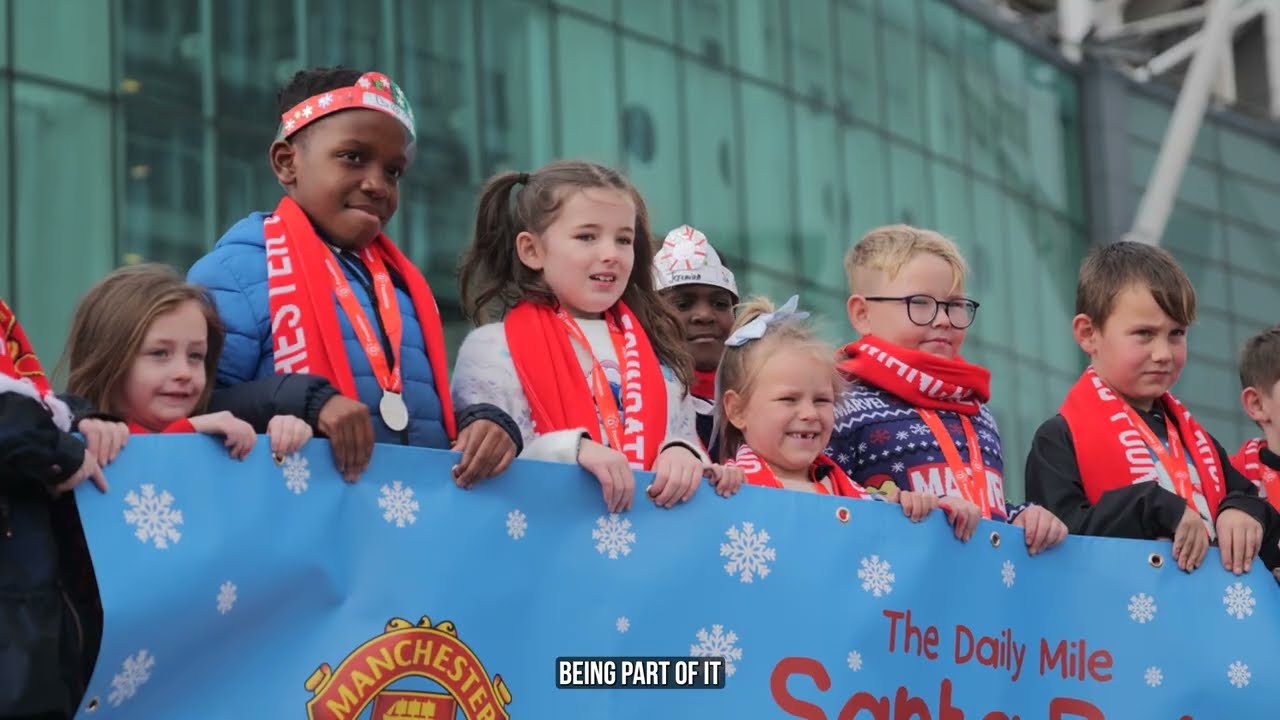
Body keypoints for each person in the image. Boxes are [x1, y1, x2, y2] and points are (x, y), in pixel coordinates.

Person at [188, 66, 520, 484]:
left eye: (393, 171)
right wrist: (307, 402)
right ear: (287, 163)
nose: (378, 184)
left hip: (398, 525)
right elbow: (189, 409)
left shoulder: (404, 286)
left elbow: (407, 411)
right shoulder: (235, 271)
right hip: (293, 529)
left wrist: (480, 423)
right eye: (353, 157)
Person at [453, 160, 741, 512]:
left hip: (648, 545)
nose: (610, 255)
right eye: (587, 237)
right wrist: (573, 449)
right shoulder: (492, 348)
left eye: (623, 240)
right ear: (532, 250)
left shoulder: (658, 351)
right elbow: (489, 458)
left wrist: (681, 453)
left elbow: (678, 433)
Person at [1026, 241, 1273, 574]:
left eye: (1176, 334)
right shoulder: (1058, 439)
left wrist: (1242, 510)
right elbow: (1057, 542)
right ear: (1088, 334)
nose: (1163, 354)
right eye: (1144, 334)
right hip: (1115, 620)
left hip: (1205, 619)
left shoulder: (1197, 441)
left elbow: (1253, 499)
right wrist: (1154, 506)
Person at [830, 225, 1066, 552]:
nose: (942, 319)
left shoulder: (977, 410)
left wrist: (1021, 516)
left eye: (954, 305)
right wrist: (893, 506)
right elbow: (820, 500)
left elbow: (982, 506)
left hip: (977, 593)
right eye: (920, 303)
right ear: (862, 313)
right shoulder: (839, 401)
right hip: (894, 596)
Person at [0, 295, 127, 718]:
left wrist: (80, 421)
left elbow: (33, 408)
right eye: (160, 354)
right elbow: (15, 424)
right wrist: (64, 450)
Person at [716, 295, 936, 524]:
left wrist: (922, 512)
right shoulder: (720, 492)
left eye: (822, 400)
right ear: (737, 411)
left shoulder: (869, 504)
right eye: (789, 399)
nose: (810, 414)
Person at [64, 264, 312, 457]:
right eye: (159, 353)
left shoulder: (221, 434)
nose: (184, 372)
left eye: (196, 356)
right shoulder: (72, 441)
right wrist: (190, 431)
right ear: (108, 358)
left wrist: (279, 438)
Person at [653, 224, 738, 453]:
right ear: (651, 316)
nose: (704, 315)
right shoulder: (634, 402)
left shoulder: (763, 401)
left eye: (720, 304)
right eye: (683, 304)